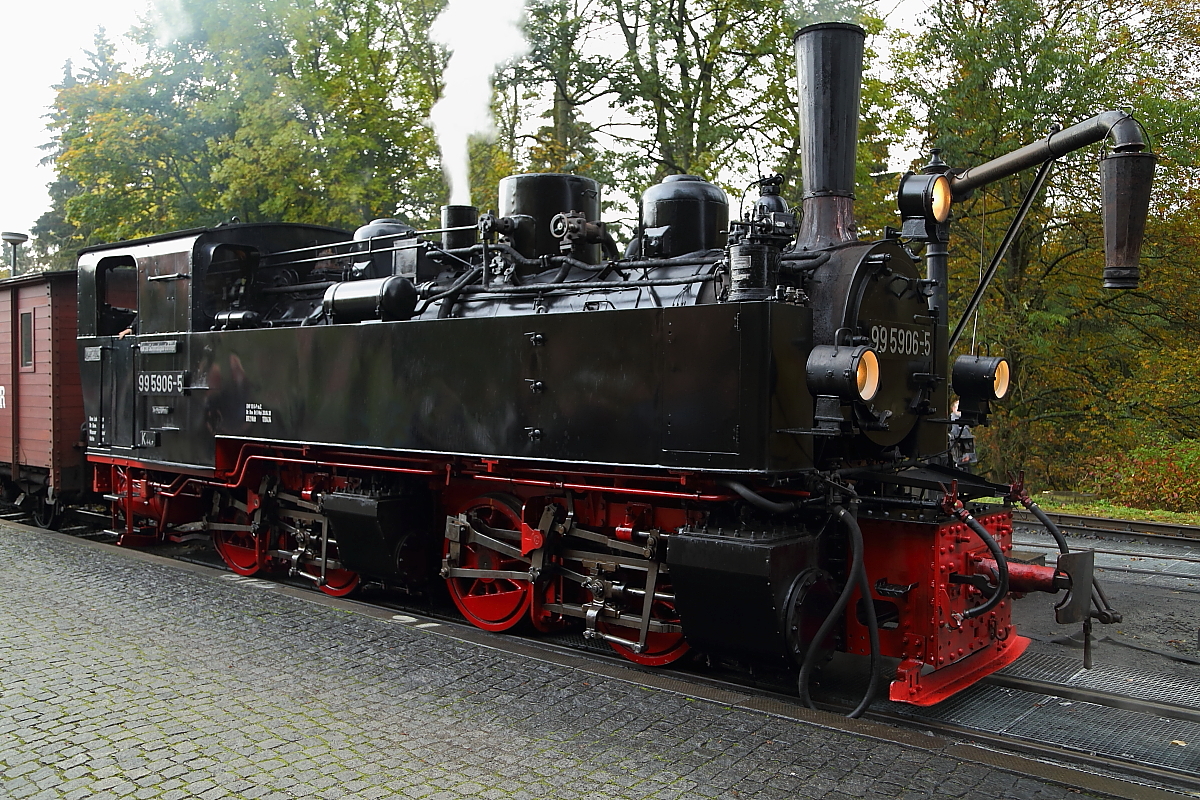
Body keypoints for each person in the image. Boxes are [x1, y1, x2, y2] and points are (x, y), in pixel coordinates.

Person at [949, 399, 978, 471]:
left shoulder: (961, 420)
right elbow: (955, 440)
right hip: (960, 458)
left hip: (962, 457)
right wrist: (965, 456)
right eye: (957, 407)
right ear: (953, 408)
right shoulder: (953, 422)